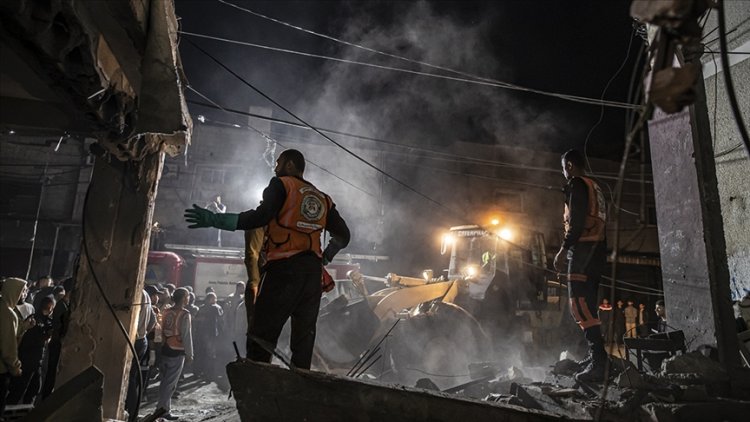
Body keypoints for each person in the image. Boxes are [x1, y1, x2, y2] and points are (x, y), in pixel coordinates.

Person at [185, 149, 350, 369]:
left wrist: (216, 219)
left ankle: (256, 380)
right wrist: (326, 257)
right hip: (312, 277)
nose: (275, 167)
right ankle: (299, 386)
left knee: (261, 333)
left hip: (284, 271)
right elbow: (344, 235)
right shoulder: (322, 198)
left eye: (278, 162)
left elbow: (261, 216)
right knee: (303, 341)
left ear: (290, 165)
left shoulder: (281, 185)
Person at [553, 149, 608, 382]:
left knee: (579, 303)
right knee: (589, 304)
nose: (563, 172)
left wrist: (564, 249)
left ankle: (599, 361)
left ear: (570, 166)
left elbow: (575, 220)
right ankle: (597, 356)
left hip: (582, 251)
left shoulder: (576, 184)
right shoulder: (594, 186)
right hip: (597, 251)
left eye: (564, 167)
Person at [7, 296, 55, 405]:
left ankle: (27, 409)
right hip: (28, 359)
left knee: (35, 387)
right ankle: (9, 409)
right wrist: (46, 336)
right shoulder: (34, 319)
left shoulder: (46, 320)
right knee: (20, 388)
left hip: (36, 361)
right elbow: (32, 339)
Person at [157, 288, 193, 421]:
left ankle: (163, 408)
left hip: (165, 348)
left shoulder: (166, 311)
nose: (188, 298)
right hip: (177, 350)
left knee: (164, 381)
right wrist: (190, 354)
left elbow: (159, 329)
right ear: (183, 298)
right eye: (187, 296)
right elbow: (186, 335)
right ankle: (163, 410)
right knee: (170, 383)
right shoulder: (184, 314)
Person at [125, 288, 154, 418]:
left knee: (128, 378)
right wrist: (144, 331)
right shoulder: (146, 295)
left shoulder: (135, 293)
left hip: (134, 341)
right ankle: (131, 411)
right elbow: (153, 320)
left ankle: (131, 413)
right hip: (142, 340)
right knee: (132, 378)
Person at [1, 278, 27, 418]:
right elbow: (8, 348)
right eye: (22, 291)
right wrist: (15, 367)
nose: (24, 294)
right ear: (13, 292)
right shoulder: (8, 314)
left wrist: (24, 326)